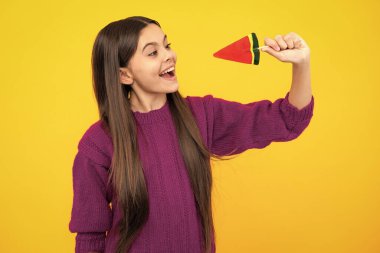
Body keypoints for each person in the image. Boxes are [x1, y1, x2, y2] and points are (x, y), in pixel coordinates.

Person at [68, 16, 314, 253]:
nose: (169, 56)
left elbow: (287, 120)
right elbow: (90, 237)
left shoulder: (201, 115)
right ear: (124, 75)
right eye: (153, 52)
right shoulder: (98, 143)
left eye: (167, 45)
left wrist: (301, 64)